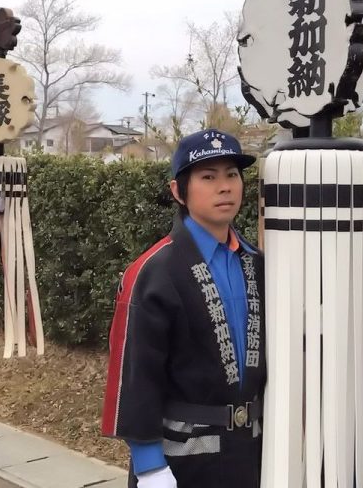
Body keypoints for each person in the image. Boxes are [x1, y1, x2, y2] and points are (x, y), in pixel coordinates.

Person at [102, 129, 266, 488]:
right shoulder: (154, 271)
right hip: (180, 460)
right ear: (178, 191)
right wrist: (149, 467)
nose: (224, 187)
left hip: (251, 453)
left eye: (232, 175)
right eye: (208, 177)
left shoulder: (257, 264)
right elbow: (136, 374)